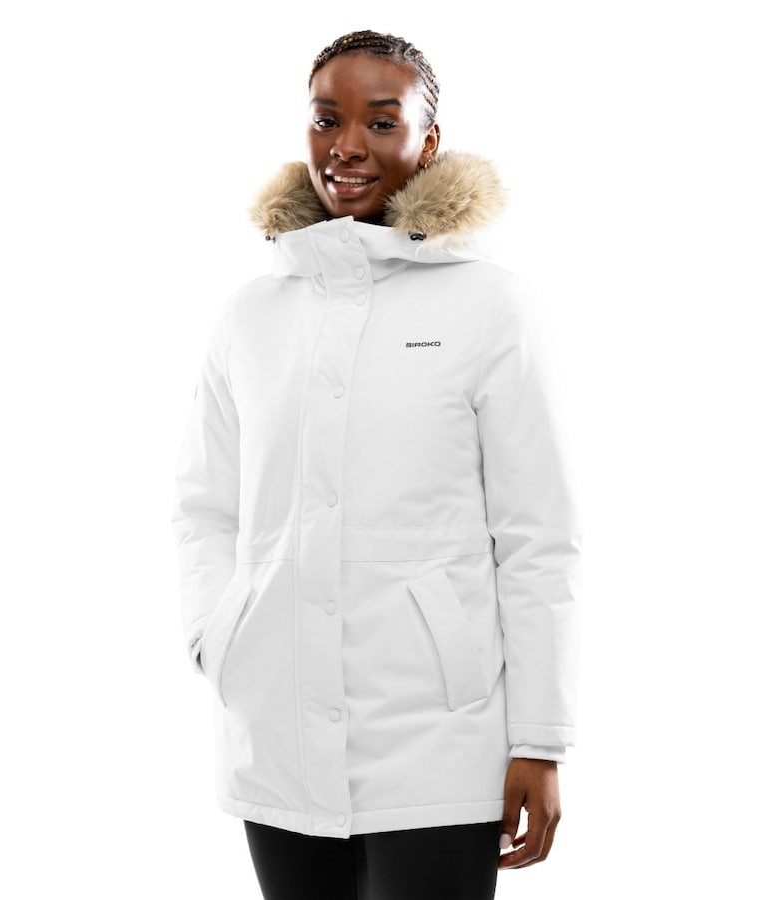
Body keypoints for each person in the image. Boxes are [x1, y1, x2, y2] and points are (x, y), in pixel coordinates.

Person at [171, 29, 583, 900]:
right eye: (327, 119)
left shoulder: (491, 307)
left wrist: (540, 740)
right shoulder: (251, 317)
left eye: (381, 121)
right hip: (277, 733)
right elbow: (205, 506)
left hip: (441, 741)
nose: (347, 145)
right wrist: (222, 637)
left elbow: (538, 536)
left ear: (427, 141)